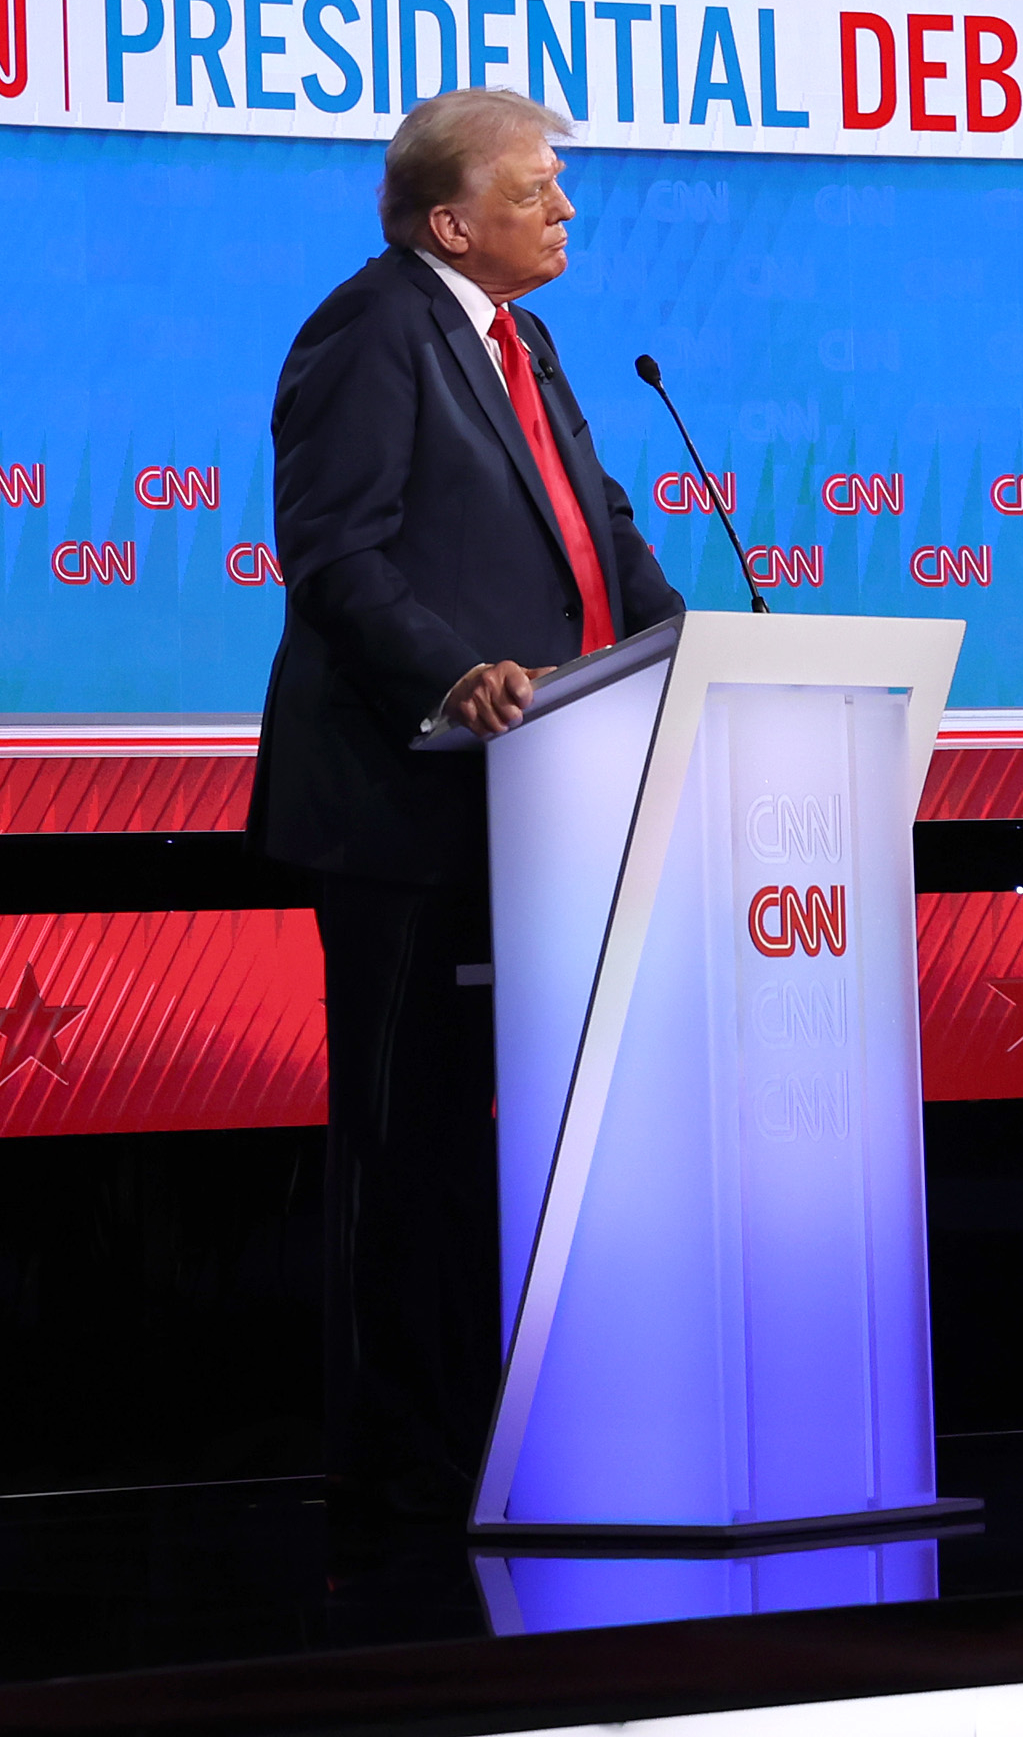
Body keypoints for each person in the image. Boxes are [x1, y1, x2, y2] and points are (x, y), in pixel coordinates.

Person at [248, 86, 685, 1526]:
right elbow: (333, 554)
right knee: (406, 1139)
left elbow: (593, 523)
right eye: (539, 189)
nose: (566, 209)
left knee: (494, 1145)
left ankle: (496, 1440)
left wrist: (692, 646)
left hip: (534, 807)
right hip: (403, 811)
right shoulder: (370, 331)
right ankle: (389, 1474)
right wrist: (460, 674)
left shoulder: (525, 339)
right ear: (453, 219)